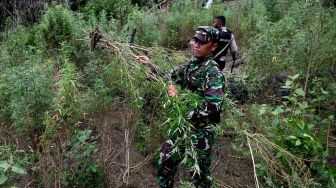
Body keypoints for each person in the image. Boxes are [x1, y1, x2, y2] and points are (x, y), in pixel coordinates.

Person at [137, 26, 224, 188]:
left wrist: (180, 101)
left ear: (213, 46)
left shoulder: (213, 72)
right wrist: (151, 65)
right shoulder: (192, 65)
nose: (196, 45)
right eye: (195, 40)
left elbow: (213, 110)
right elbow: (171, 76)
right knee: (165, 161)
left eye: (202, 42)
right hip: (182, 127)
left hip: (200, 133)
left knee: (199, 176)